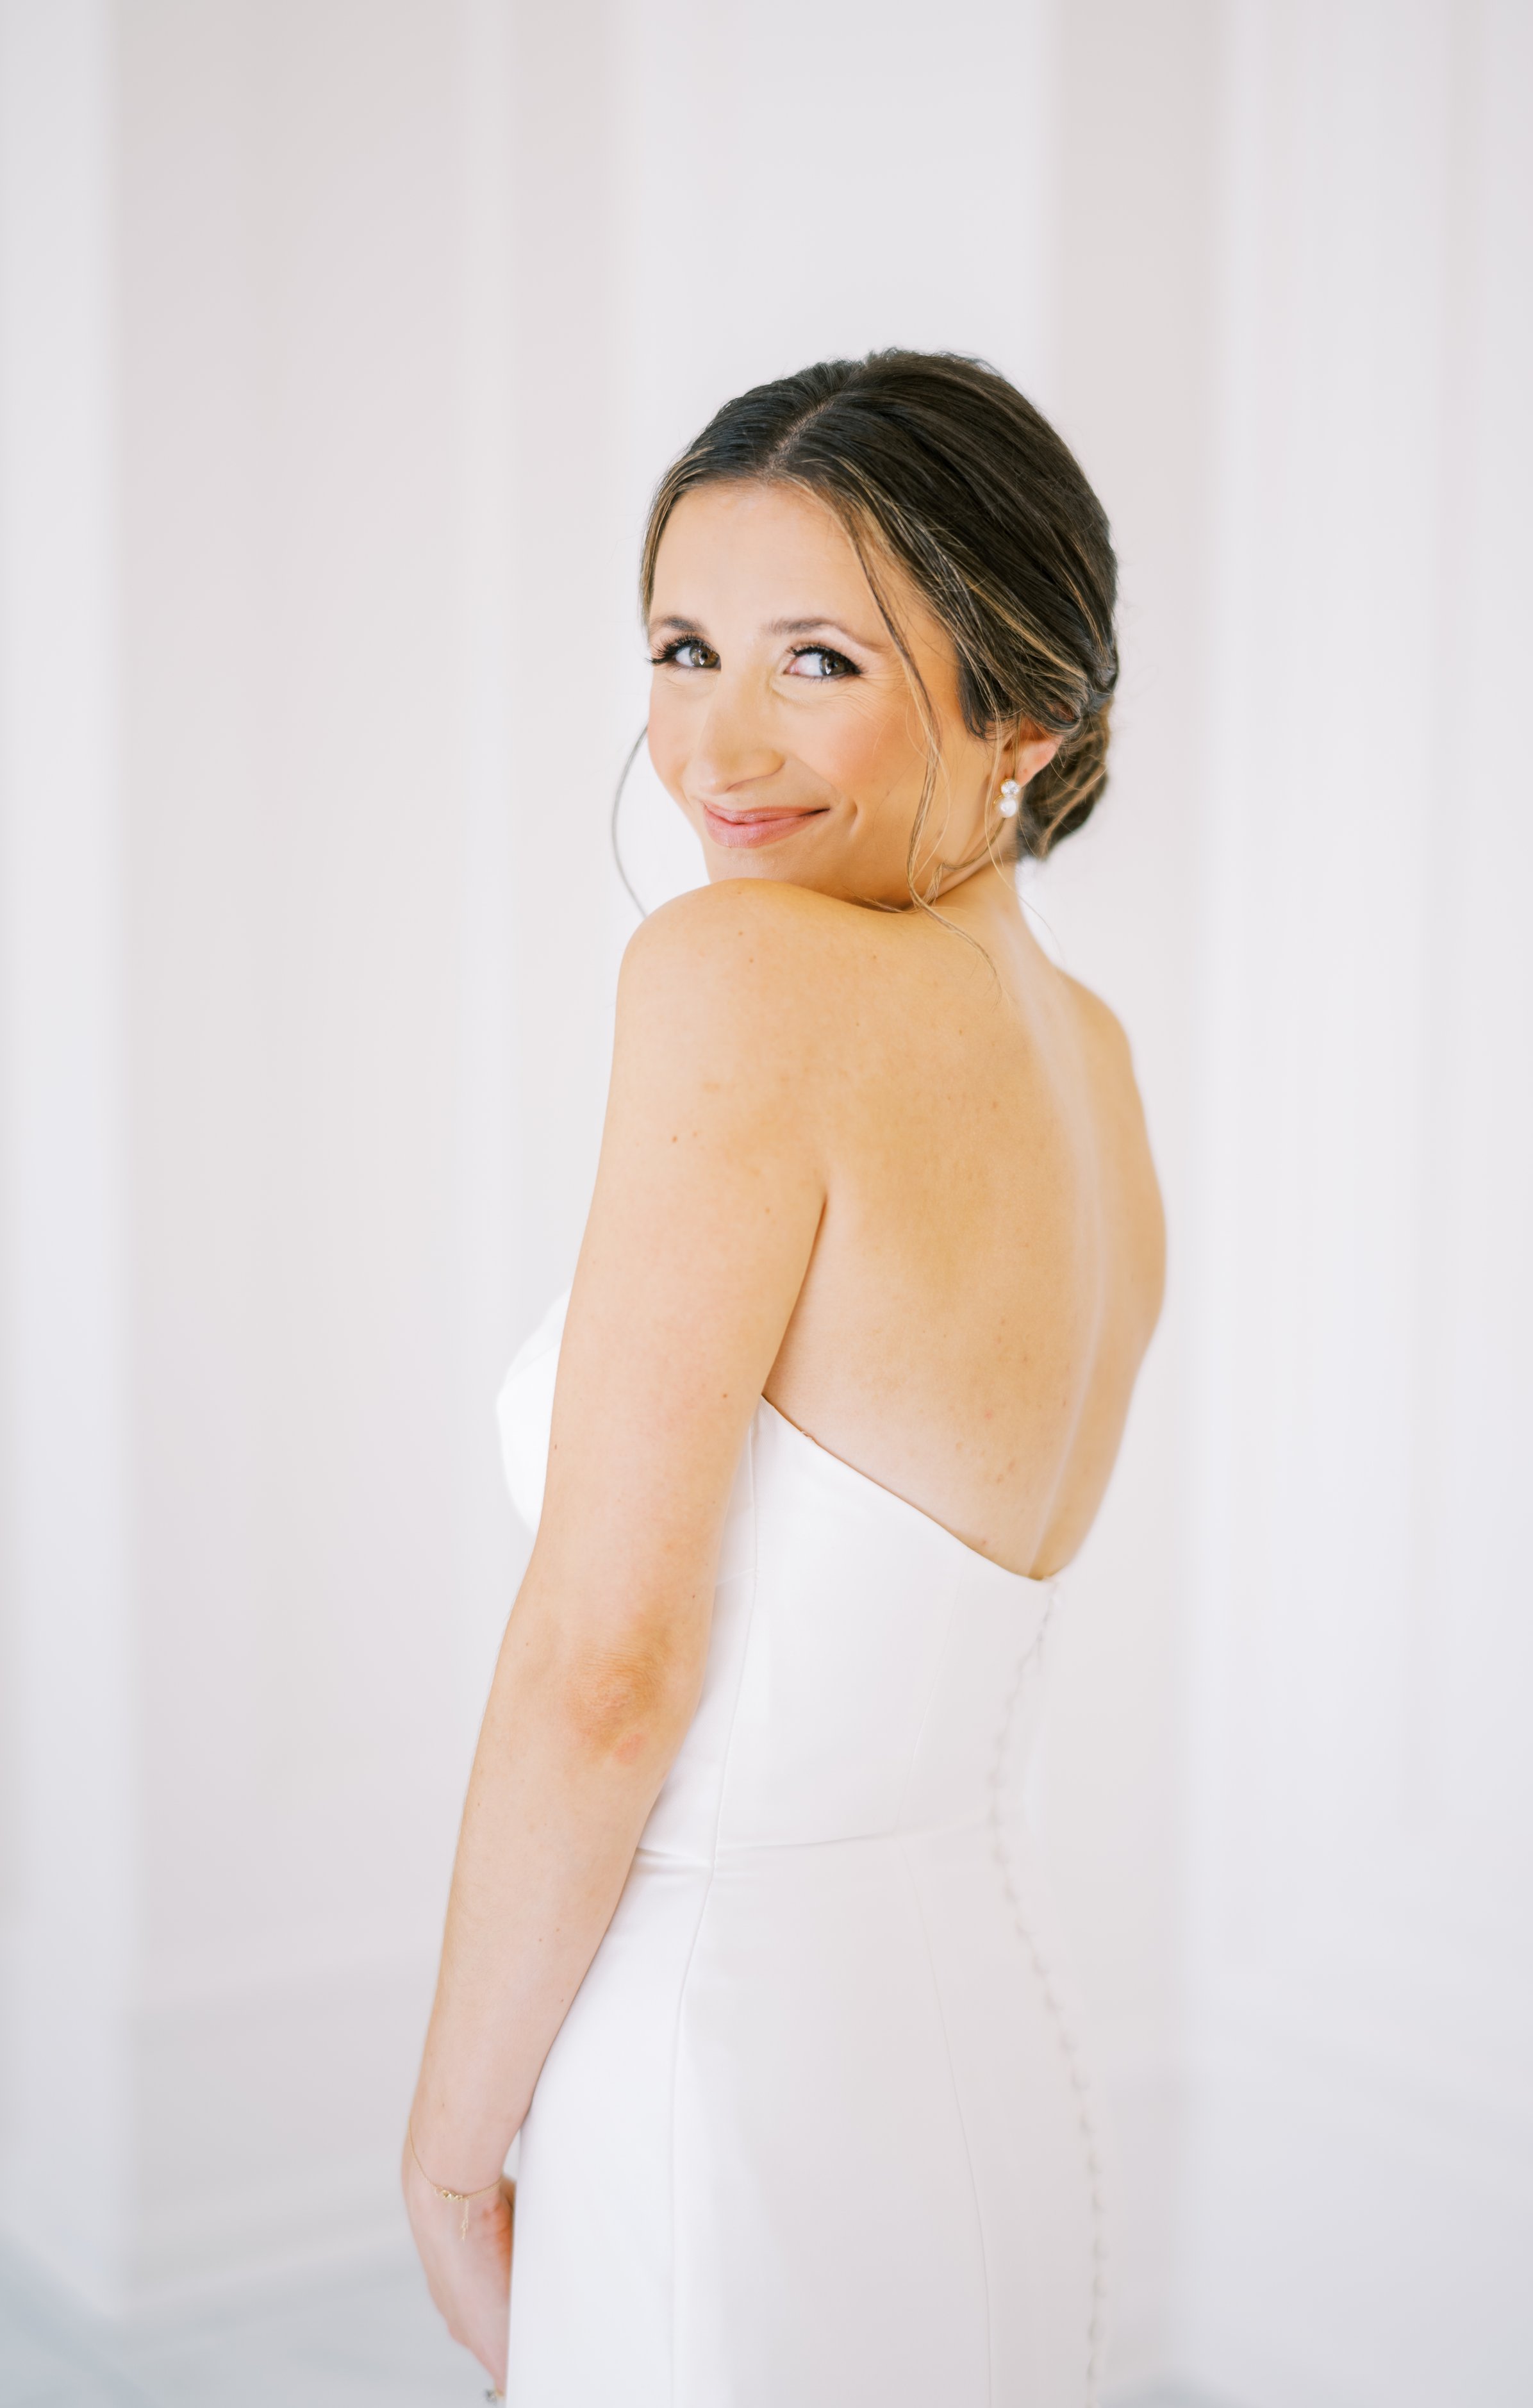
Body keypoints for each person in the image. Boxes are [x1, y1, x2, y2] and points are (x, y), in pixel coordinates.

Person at [403, 350, 1164, 2406]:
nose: (711, 747)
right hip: (980, 2057)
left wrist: (451, 2155)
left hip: (715, 2060)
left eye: (815, 660)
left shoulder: (739, 976)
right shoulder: (1089, 1064)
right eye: (681, 650)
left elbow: (605, 1667)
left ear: (1023, 712)